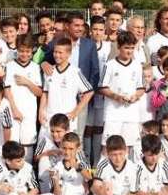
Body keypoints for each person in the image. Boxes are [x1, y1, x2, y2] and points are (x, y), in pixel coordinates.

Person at [42, 12, 100, 137]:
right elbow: (45, 60)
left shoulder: (89, 45)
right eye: (76, 25)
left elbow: (95, 70)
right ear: (67, 26)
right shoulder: (55, 44)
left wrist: (88, 93)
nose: (80, 28)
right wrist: (43, 63)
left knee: (77, 136)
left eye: (82, 25)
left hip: (81, 97)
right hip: (60, 97)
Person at [99, 32, 145, 160]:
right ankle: (102, 174)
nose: (129, 51)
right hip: (113, 113)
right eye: (126, 47)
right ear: (119, 47)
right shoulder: (110, 65)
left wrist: (135, 97)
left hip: (131, 114)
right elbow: (102, 87)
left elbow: (141, 88)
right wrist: (117, 97)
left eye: (132, 48)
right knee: (108, 146)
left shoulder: (137, 65)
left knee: (129, 147)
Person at [39, 37, 94, 133]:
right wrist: (41, 112)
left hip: (67, 120)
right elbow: (45, 93)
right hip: (49, 118)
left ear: (69, 54)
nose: (57, 55)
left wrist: (75, 112)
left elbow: (89, 92)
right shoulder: (49, 70)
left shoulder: (75, 72)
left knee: (66, 147)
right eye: (55, 52)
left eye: (60, 53)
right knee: (47, 147)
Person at [3, 35, 42, 161]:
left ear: (32, 51)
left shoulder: (35, 67)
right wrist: (14, 110)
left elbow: (39, 92)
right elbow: (6, 89)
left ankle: (28, 175)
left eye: (27, 51)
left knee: (27, 145)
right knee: (12, 146)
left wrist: (27, 82)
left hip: (29, 113)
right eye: (21, 51)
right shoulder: (10, 66)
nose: (24, 54)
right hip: (13, 111)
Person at [84, 16, 110, 166]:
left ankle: (96, 163)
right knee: (87, 127)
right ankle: (87, 162)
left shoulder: (108, 47)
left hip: (102, 93)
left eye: (101, 30)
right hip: (87, 92)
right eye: (95, 29)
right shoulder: (85, 46)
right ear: (90, 30)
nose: (98, 32)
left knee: (99, 128)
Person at [34, 114, 70, 193]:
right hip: (49, 172)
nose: (54, 134)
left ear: (67, 130)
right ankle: (46, 192)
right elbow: (35, 158)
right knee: (43, 160)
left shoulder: (71, 139)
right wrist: (48, 153)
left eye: (58, 131)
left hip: (65, 172)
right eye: (52, 131)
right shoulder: (46, 139)